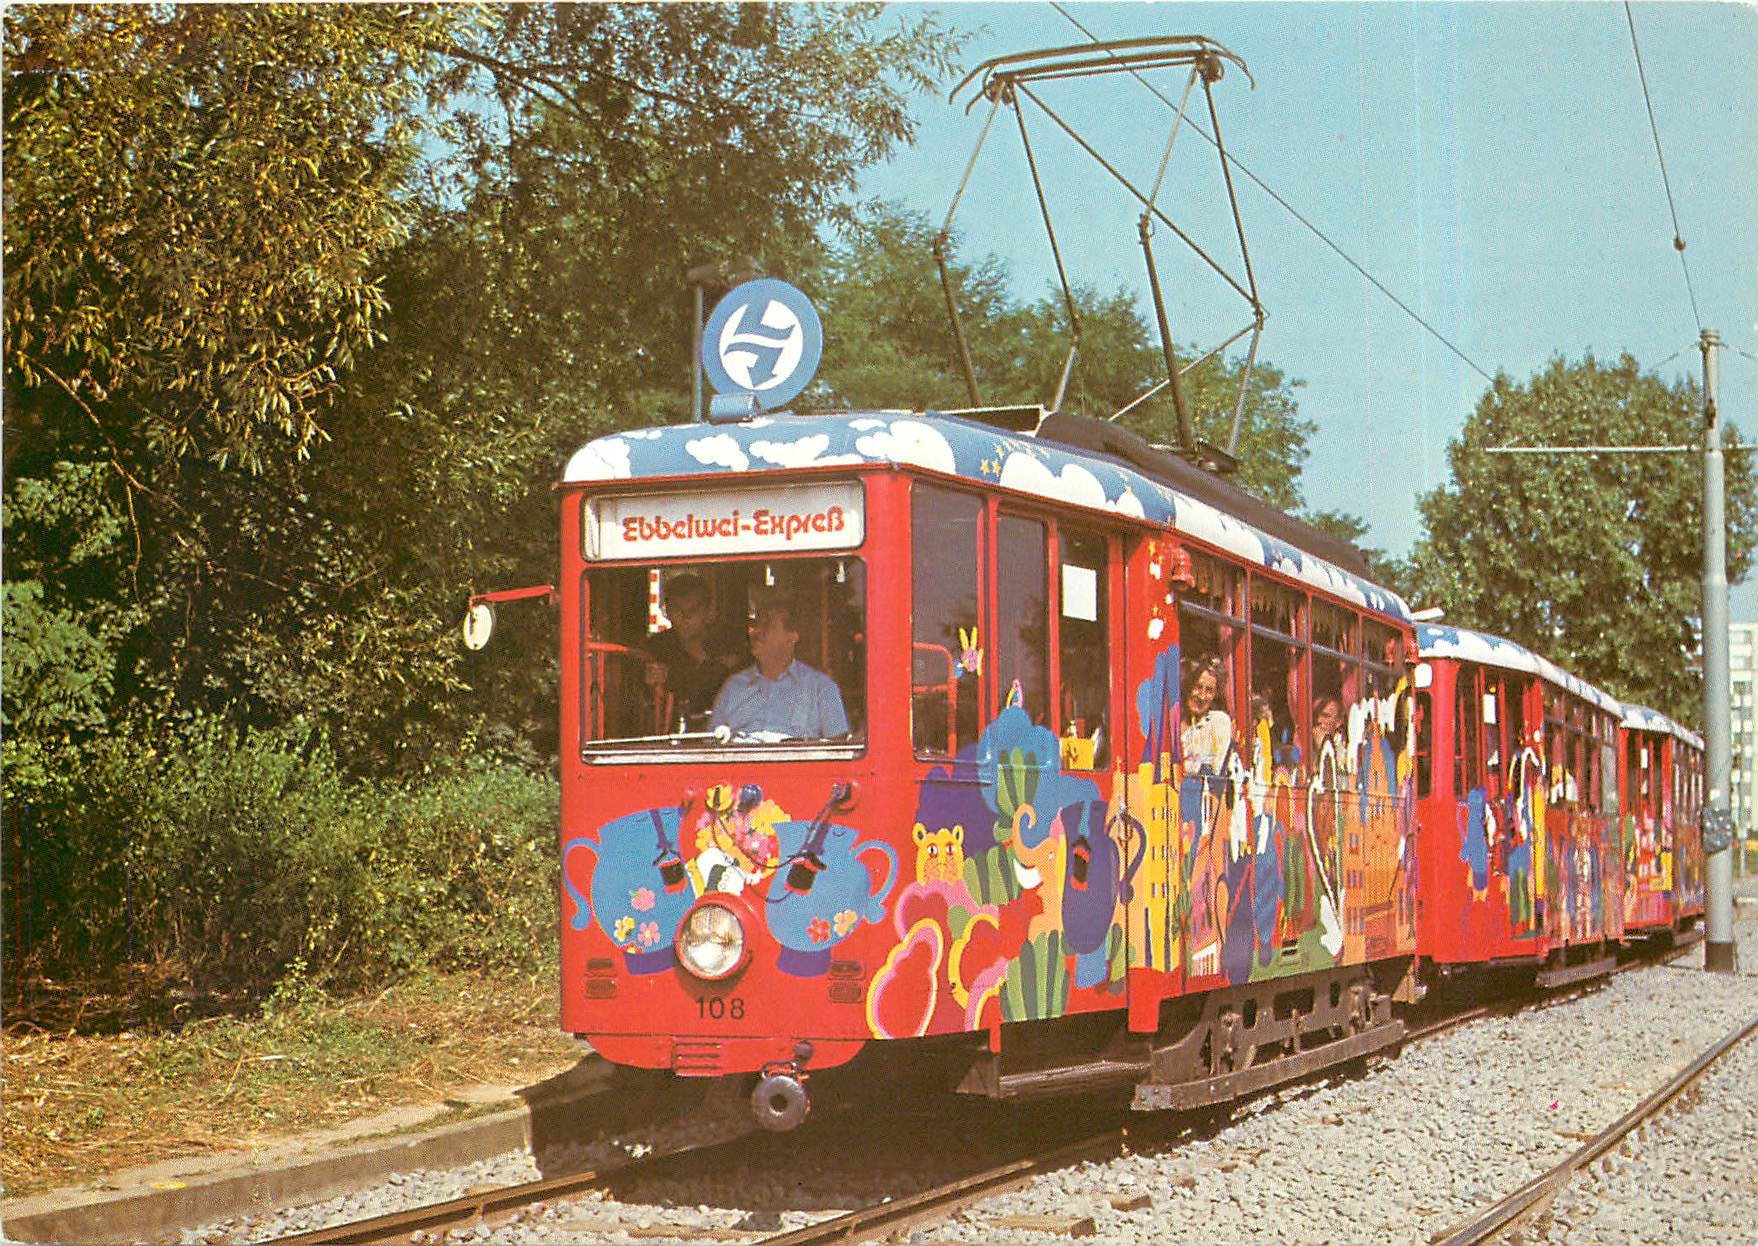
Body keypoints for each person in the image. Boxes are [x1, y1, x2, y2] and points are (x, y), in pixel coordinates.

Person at [711, 598, 850, 740]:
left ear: (793, 636)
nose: (757, 631)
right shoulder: (733, 687)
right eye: (756, 624)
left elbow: (838, 746)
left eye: (767, 625)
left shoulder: (820, 687)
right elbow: (710, 743)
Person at [644, 574, 739, 723]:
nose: (686, 617)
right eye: (678, 609)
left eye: (694, 609)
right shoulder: (657, 646)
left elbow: (727, 685)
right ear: (667, 611)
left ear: (708, 611)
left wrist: (671, 677)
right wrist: (648, 684)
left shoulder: (728, 642)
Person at [1180, 652, 1233, 774]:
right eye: (1198, 687)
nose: (1202, 697)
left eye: (1209, 690)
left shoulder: (1217, 723)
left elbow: (1214, 771)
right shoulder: (1171, 720)